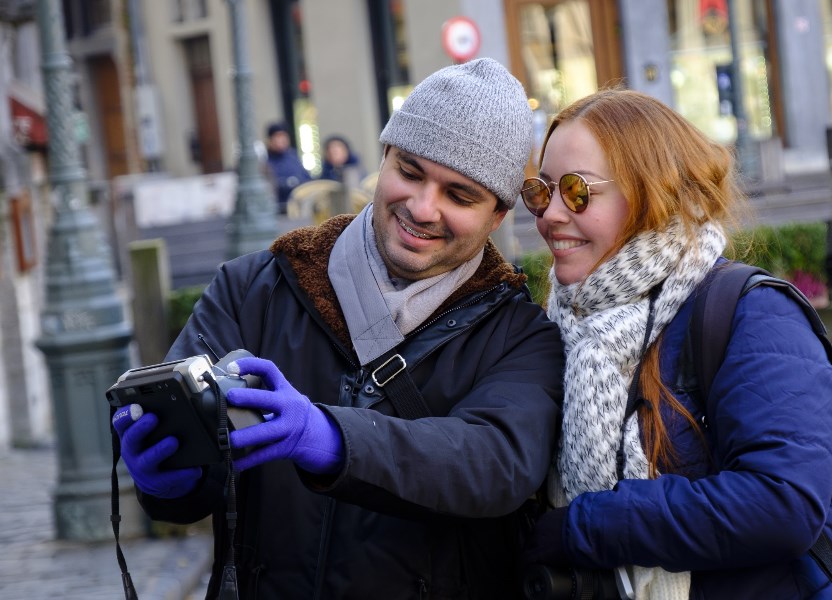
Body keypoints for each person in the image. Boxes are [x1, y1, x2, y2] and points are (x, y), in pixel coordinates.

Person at [112, 58, 564, 599]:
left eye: (460, 195)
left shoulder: (520, 333)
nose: (422, 208)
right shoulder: (251, 288)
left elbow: (495, 464)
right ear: (383, 159)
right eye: (410, 172)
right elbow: (192, 481)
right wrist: (168, 479)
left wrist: (331, 439)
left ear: (497, 215)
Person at [520, 88, 832, 599]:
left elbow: (785, 504)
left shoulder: (750, 314)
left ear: (653, 191)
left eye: (577, 191)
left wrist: (581, 528)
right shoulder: (557, 326)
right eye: (540, 191)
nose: (550, 215)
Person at [265, 121, 312, 214]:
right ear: (270, 140)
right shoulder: (265, 162)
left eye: (284, 136)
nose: (281, 140)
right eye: (277, 136)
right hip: (279, 210)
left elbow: (307, 178)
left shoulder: (294, 157)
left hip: (299, 208)